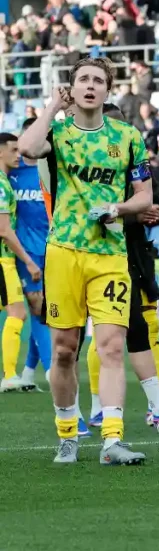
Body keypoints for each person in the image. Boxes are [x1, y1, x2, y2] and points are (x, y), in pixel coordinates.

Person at [19, 57, 154, 465]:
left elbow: (144, 197)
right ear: (72, 90)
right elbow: (26, 148)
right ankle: (67, 434)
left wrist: (119, 208)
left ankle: (112, 440)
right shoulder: (57, 133)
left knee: (111, 346)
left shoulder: (129, 136)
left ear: (108, 90)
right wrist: (51, 108)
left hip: (110, 254)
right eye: (83, 80)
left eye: (98, 80)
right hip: (63, 252)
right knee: (64, 350)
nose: (91, 86)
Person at [84, 103, 159, 434]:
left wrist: (144, 210)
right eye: (112, 125)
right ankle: (96, 407)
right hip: (97, 254)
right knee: (102, 334)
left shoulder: (137, 163)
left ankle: (157, 407)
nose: (120, 133)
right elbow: (93, 212)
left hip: (135, 254)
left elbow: (154, 202)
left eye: (124, 126)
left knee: (144, 328)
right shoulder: (90, 165)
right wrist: (133, 213)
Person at [10, 119, 62, 403]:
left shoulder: (51, 171)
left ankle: (28, 371)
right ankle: (52, 369)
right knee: (38, 307)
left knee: (45, 310)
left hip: (54, 248)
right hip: (26, 253)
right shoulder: (10, 175)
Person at [0, 133, 36, 393]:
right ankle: (10, 375)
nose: (18, 154)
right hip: (3, 260)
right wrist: (28, 260)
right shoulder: (1, 185)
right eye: (13, 150)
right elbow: (3, 229)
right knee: (18, 313)